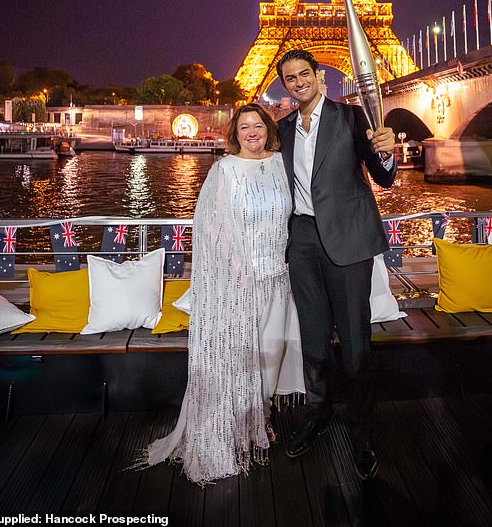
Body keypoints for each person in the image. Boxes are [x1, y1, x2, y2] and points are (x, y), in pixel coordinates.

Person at [141, 103, 304, 484]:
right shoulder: (224, 170)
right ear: (236, 132)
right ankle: (239, 428)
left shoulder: (283, 165)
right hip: (240, 284)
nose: (251, 132)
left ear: (268, 128)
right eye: (244, 126)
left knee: (269, 357)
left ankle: (258, 419)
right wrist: (236, 274)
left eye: (258, 125)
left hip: (279, 280)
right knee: (242, 358)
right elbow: (211, 230)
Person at [276, 49, 396, 481]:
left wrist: (388, 150)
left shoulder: (351, 118)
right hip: (302, 241)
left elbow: (384, 178)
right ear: (284, 84)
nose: (297, 82)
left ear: (319, 75)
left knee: (356, 343)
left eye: (303, 74)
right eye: (289, 78)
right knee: (312, 339)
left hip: (347, 239)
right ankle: (318, 412)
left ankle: (362, 432)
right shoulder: (284, 129)